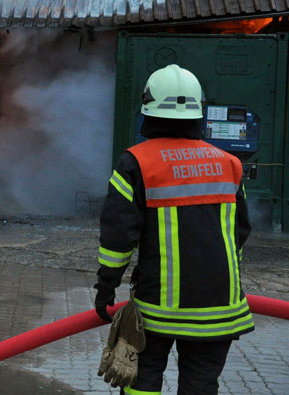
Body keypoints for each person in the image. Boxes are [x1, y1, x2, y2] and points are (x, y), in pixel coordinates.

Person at [94, 64, 252, 394]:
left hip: (158, 311)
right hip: (220, 308)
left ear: (147, 110)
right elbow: (239, 233)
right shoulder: (230, 164)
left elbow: (119, 236)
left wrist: (106, 286)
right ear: (199, 113)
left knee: (141, 383)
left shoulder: (136, 162)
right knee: (201, 386)